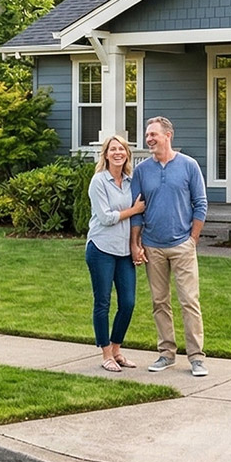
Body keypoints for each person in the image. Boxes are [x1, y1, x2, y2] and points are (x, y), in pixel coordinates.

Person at [130, 115, 209, 376]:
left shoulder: (188, 166)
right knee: (159, 302)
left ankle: (196, 357)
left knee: (189, 301)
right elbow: (138, 211)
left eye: (153, 134)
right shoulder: (142, 171)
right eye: (147, 134)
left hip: (182, 245)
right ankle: (166, 354)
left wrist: (192, 239)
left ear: (168, 135)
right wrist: (136, 243)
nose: (149, 138)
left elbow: (201, 204)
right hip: (153, 247)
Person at [86, 134, 145, 372]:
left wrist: (136, 244)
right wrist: (133, 210)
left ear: (127, 154)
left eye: (122, 149)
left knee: (128, 303)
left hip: (123, 251)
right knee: (102, 302)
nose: (118, 152)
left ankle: (117, 349)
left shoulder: (131, 183)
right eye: (113, 149)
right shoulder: (99, 181)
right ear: (106, 154)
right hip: (101, 248)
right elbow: (106, 217)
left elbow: (138, 217)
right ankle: (106, 354)